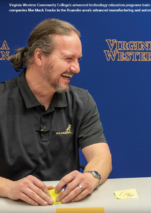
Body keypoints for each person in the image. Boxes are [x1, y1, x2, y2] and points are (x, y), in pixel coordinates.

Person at [0, 19, 112, 206]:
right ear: (39, 57)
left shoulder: (81, 100)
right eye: (68, 59)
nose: (76, 68)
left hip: (66, 205)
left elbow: (102, 156)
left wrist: (91, 177)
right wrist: (9, 187)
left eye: (78, 60)